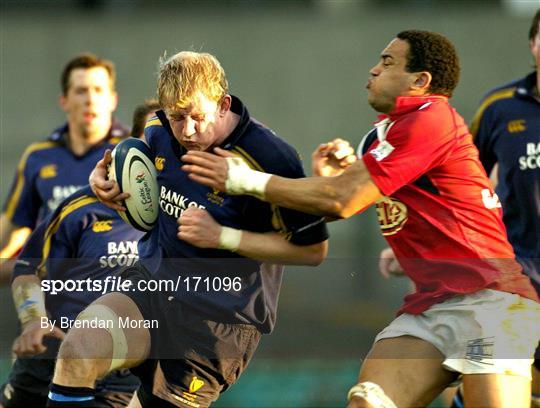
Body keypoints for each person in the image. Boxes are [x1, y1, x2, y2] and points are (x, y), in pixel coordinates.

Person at [181, 31, 540, 407]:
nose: (373, 69)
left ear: (421, 81)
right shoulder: (380, 135)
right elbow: (345, 198)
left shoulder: (431, 118)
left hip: (492, 299)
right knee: (368, 402)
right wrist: (328, 182)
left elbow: (342, 200)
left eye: (387, 63)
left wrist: (243, 180)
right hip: (431, 307)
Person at [47, 51, 329, 407]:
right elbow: (133, 164)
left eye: (198, 116)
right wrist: (103, 178)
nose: (189, 131)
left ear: (223, 103)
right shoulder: (157, 128)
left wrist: (223, 236)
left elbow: (313, 251)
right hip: (152, 288)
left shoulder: (270, 157)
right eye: (177, 117)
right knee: (78, 351)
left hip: (215, 324)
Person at [0, 100, 161, 408]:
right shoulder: (81, 207)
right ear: (133, 146)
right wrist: (34, 321)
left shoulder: (183, 217)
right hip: (50, 356)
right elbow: (27, 266)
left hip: (120, 373)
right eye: (153, 142)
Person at [448, 9, 540, 408]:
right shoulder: (500, 108)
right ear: (533, 43)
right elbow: (461, 182)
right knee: (493, 387)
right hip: (516, 272)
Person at [0, 53, 128, 284]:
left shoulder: (132, 152)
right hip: (52, 293)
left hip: (116, 285)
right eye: (81, 91)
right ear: (64, 101)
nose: (90, 99)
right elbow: (14, 229)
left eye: (98, 90)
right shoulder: (38, 156)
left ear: (113, 99)